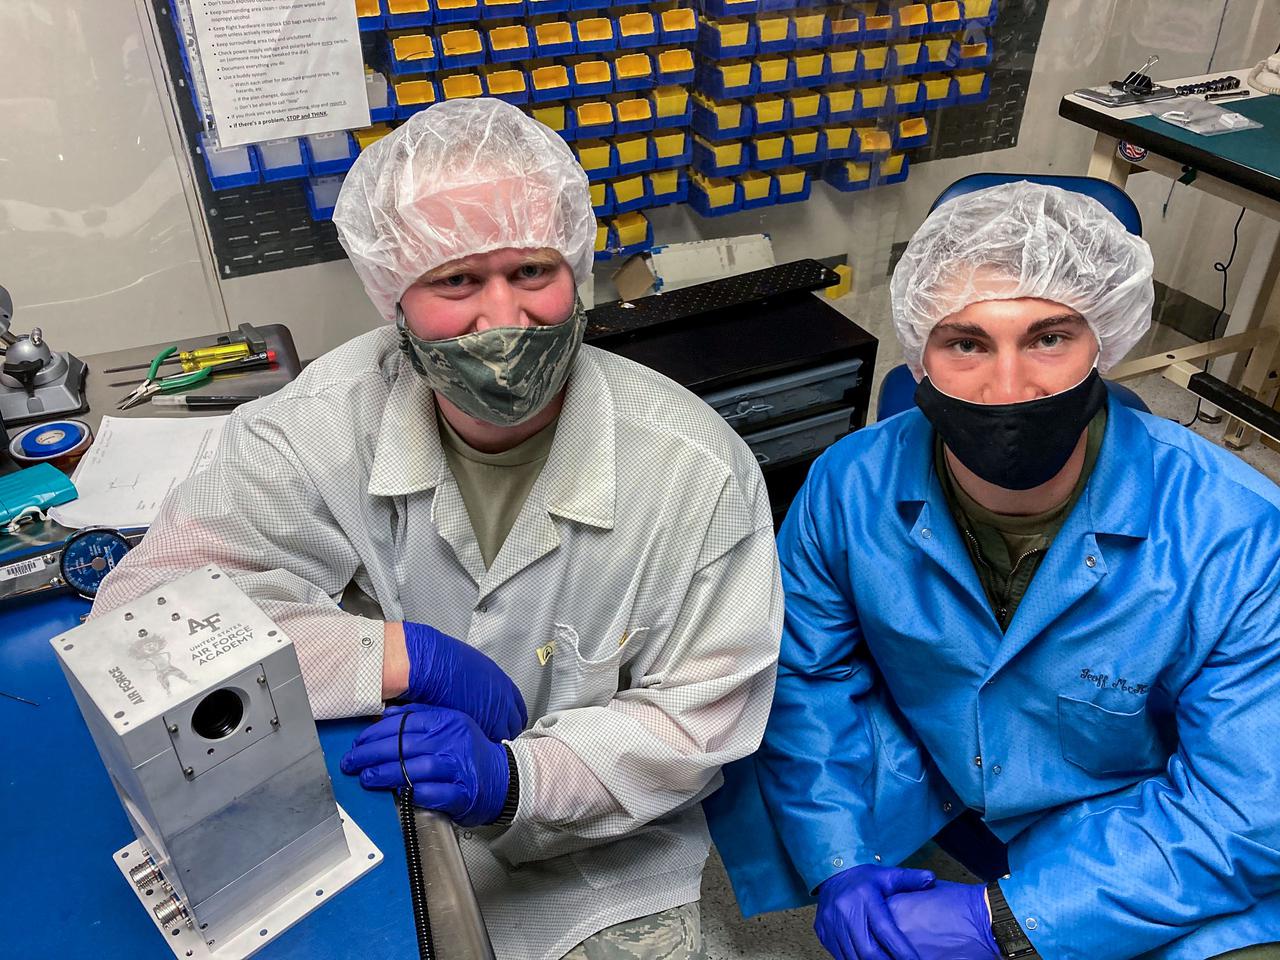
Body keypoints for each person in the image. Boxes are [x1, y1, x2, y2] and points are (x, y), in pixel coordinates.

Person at [92, 98, 782, 960]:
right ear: (395, 297)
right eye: (455, 281)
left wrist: (513, 779)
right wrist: (396, 657)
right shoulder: (316, 426)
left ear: (578, 268)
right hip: (376, 824)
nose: (502, 318)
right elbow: (137, 628)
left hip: (598, 866)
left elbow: (697, 722)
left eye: (532, 271)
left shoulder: (695, 471)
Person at [705, 181, 1280, 960]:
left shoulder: (1239, 533)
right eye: (967, 344)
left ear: (1105, 340)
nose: (1008, 390)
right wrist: (839, 859)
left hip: (1126, 809)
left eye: (1049, 338)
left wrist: (1010, 920)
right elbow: (807, 679)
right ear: (920, 352)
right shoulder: (849, 484)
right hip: (933, 767)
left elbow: (1247, 802)